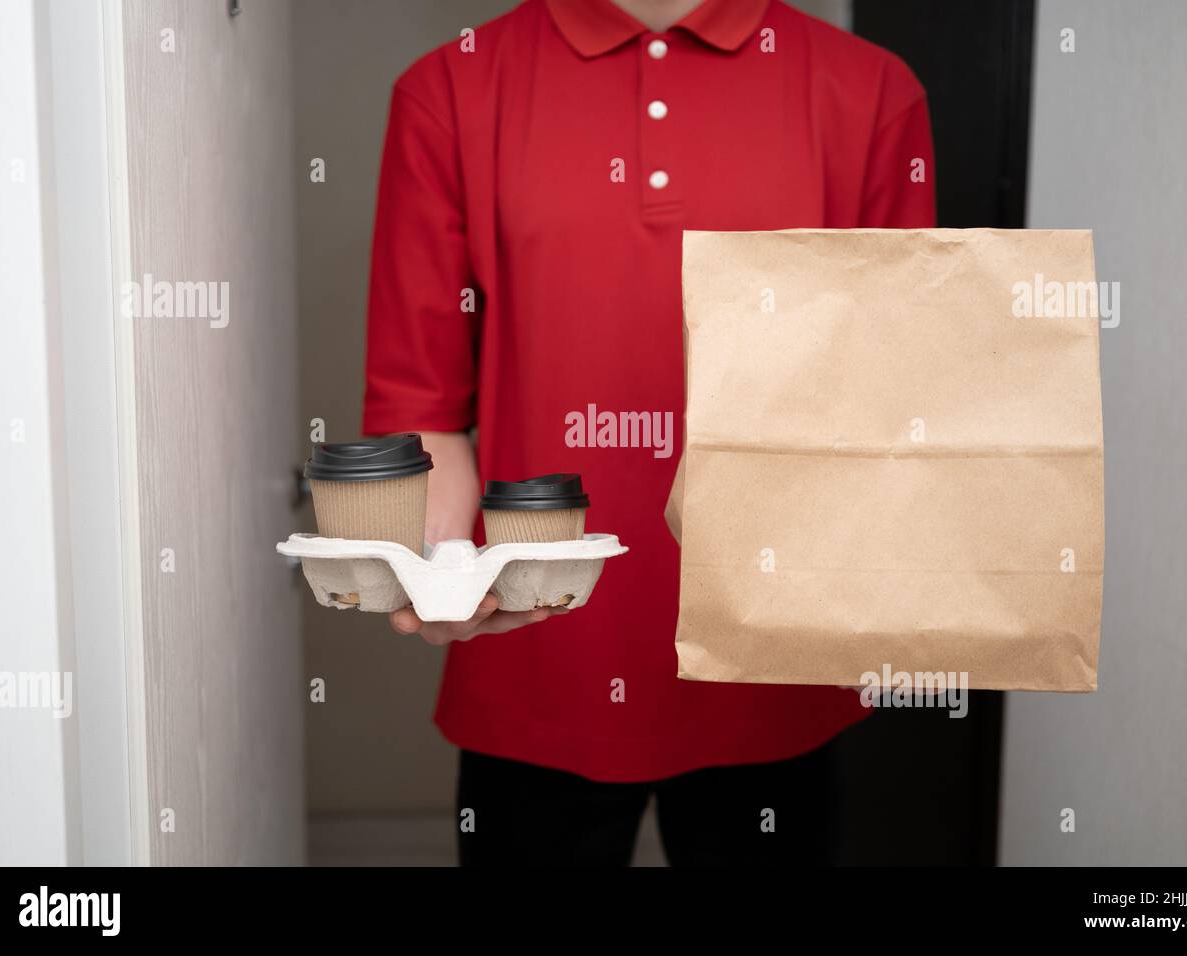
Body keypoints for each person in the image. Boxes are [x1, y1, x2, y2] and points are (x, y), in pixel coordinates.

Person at [364, 0, 935, 865]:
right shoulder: (450, 88)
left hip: (773, 667)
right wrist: (436, 573)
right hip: (535, 648)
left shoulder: (870, 92)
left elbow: (893, 393)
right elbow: (423, 408)